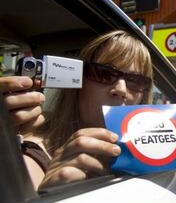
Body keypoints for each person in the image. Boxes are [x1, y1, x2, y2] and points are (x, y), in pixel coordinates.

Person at [0, 30, 153, 190]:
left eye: (135, 81)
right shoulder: (32, 156)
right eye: (104, 74)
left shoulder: (153, 155)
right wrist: (46, 194)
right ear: (78, 84)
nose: (121, 89)